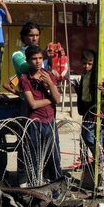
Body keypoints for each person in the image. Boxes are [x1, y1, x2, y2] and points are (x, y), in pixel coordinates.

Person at [19, 46, 62, 185]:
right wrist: (51, 100)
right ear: (27, 60)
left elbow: (59, 99)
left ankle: (56, 187)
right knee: (34, 158)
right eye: (34, 59)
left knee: (54, 157)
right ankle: (35, 186)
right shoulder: (25, 79)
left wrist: (49, 83)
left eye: (40, 58)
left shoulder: (50, 76)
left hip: (50, 121)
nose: (37, 62)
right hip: (35, 123)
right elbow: (33, 104)